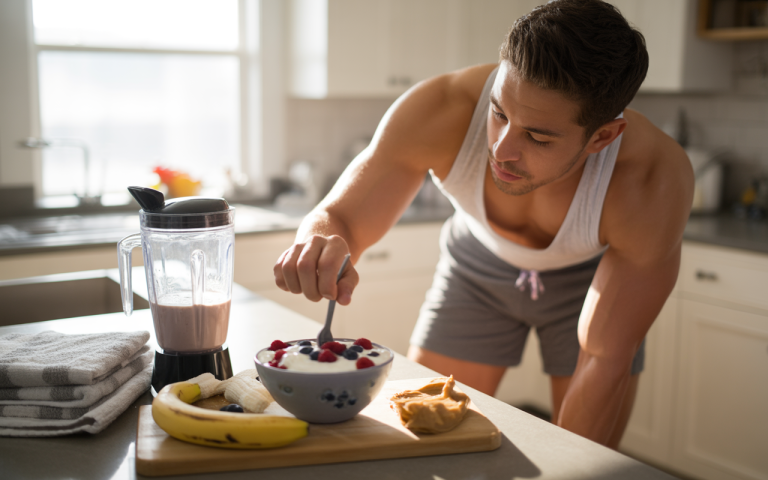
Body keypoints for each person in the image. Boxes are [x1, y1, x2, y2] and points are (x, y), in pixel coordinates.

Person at [273, 0, 693, 448]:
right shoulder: (441, 109)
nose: (502, 149)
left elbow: (605, 359)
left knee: (581, 457)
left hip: (591, 278)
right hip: (476, 263)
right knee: (420, 440)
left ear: (602, 137)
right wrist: (317, 244)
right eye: (499, 113)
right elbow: (338, 217)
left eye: (537, 136)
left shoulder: (651, 180)